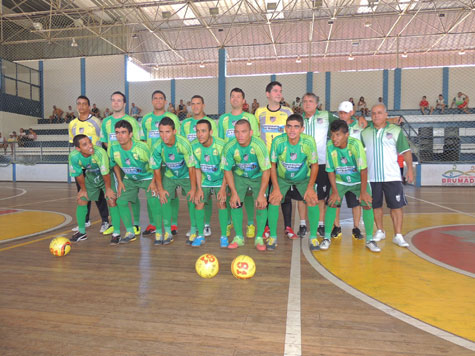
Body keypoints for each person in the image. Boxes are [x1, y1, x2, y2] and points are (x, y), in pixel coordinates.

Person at [318, 120, 380, 252]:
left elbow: (363, 170)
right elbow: (330, 171)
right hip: (340, 180)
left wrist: (363, 193)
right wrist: (334, 191)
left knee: (367, 203)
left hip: (358, 181)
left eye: (338, 135)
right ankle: (327, 238)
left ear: (347, 135)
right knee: (332, 203)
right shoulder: (330, 146)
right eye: (332, 135)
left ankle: (369, 239)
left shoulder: (355, 145)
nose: (334, 138)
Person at [361, 104, 414, 248]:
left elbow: (406, 151)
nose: (376, 115)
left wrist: (410, 169)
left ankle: (398, 235)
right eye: (373, 113)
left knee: (396, 206)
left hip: (392, 177)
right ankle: (380, 230)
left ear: (386, 115)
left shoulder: (395, 131)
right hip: (372, 177)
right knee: (375, 205)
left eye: (379, 113)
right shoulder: (364, 133)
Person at [268, 114, 319, 251]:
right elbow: (272, 165)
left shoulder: (309, 142)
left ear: (302, 129)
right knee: (273, 199)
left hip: (303, 178)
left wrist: (309, 188)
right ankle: (273, 236)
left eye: (296, 127)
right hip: (282, 178)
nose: (292, 130)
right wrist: (276, 188)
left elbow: (314, 165)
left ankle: (313, 237)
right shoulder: (278, 142)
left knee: (312, 199)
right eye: (289, 126)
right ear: (285, 128)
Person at [110, 120, 161, 244]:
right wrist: (120, 180)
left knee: (153, 201)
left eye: (123, 132)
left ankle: (159, 232)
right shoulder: (114, 148)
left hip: (148, 177)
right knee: (121, 201)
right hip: (130, 178)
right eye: (117, 133)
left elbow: (155, 165)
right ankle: (130, 231)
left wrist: (154, 182)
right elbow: (114, 164)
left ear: (131, 134)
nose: (119, 136)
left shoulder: (141, 148)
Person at [218, 88, 260, 238]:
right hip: (230, 162)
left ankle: (250, 224)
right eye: (232, 96)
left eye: (239, 97)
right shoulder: (223, 119)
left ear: (244, 101)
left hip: (246, 162)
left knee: (248, 194)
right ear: (229, 99)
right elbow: (222, 143)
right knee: (230, 193)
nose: (235, 99)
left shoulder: (250, 118)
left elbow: (254, 140)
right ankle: (229, 222)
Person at [255, 81, 295, 239]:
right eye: (276, 91)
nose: (279, 93)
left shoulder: (287, 112)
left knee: (284, 195)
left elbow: (292, 133)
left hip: (282, 161)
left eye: (280, 91)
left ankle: (288, 227)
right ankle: (266, 227)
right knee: (265, 194)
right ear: (268, 94)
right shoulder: (259, 112)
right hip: (265, 162)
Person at [222, 119, 270, 250]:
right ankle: (238, 237)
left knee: (261, 204)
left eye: (243, 132)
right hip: (240, 176)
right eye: (237, 132)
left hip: (258, 176)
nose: (240, 135)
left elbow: (266, 170)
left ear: (251, 132)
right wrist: (233, 192)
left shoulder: (259, 145)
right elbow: (227, 170)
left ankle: (259, 238)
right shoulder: (229, 147)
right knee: (235, 203)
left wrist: (261, 194)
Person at [100, 91, 142, 235]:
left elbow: (136, 141)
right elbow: (104, 140)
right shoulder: (106, 121)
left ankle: (136, 224)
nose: (116, 103)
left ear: (124, 103)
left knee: (132, 195)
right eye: (113, 100)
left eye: (119, 100)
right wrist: (114, 154)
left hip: (128, 163)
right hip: (113, 162)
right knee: (112, 194)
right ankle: (115, 224)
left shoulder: (131, 121)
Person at [68, 95, 110, 234]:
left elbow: (102, 141)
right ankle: (85, 220)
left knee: (98, 193)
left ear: (89, 106)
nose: (81, 106)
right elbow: (73, 145)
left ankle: (105, 221)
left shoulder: (96, 122)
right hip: (81, 163)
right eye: (78, 104)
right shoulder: (72, 124)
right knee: (83, 191)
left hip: (95, 163)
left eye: (84, 104)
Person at [141, 90, 180, 236]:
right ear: (152, 101)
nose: (158, 100)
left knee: (171, 193)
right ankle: (152, 223)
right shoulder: (146, 119)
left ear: (165, 102)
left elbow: (177, 138)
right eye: (155, 98)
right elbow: (144, 141)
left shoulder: (172, 118)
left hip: (169, 161)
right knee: (152, 192)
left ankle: (173, 224)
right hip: (152, 162)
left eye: (161, 98)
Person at [151, 117, 196, 246]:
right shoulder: (157, 146)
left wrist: (193, 188)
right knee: (164, 198)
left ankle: (193, 229)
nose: (164, 136)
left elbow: (191, 167)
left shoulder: (184, 143)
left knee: (192, 199)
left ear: (174, 131)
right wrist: (160, 188)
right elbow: (156, 169)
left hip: (186, 175)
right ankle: (167, 231)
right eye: (161, 132)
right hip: (170, 175)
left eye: (167, 132)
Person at [68, 135, 120, 243]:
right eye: (85, 144)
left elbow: (105, 173)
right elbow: (78, 174)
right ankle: (82, 232)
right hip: (91, 176)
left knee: (111, 199)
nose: (90, 146)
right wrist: (83, 189)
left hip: (105, 176)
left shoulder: (100, 152)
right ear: (78, 148)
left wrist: (108, 189)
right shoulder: (73, 156)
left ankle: (116, 233)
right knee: (82, 199)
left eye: (89, 142)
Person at [301, 93, 339, 239]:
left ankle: (321, 225)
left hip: (322, 162)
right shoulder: (298, 119)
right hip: (303, 163)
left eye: (310, 101)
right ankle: (303, 224)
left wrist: (356, 120)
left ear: (317, 104)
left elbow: (341, 125)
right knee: (303, 196)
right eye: (304, 101)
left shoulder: (325, 116)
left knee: (321, 197)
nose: (307, 104)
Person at [180, 95, 218, 237]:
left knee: (205, 197)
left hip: (208, 165)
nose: (195, 106)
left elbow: (215, 142)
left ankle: (206, 224)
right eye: (193, 104)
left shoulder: (210, 123)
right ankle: (194, 226)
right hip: (191, 165)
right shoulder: (185, 124)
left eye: (198, 104)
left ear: (203, 105)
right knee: (193, 196)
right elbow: (183, 144)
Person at [191, 120, 228, 247]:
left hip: (220, 179)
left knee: (221, 203)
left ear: (211, 132)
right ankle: (200, 235)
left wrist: (223, 188)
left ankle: (224, 236)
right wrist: (198, 188)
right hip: (205, 179)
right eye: (197, 131)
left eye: (203, 131)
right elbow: (197, 168)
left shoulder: (222, 145)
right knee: (199, 202)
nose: (200, 134)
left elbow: (226, 170)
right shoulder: (194, 146)